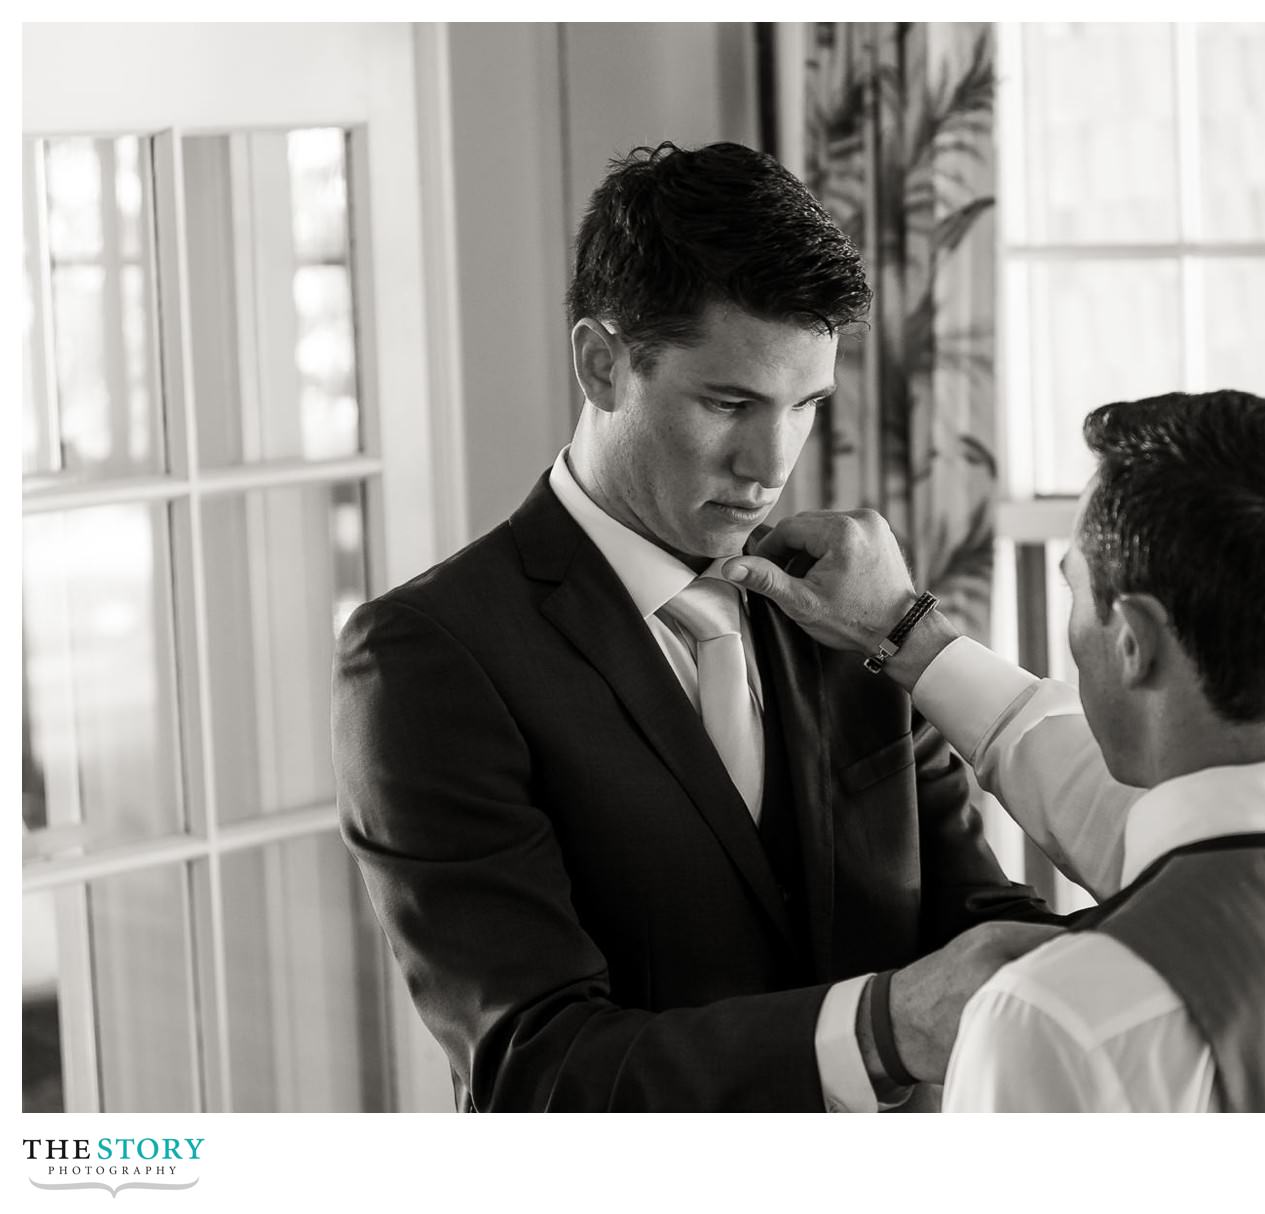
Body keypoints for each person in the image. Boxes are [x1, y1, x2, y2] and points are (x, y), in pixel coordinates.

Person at [332, 141, 1060, 1113]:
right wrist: (879, 1029)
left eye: (805, 404)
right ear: (600, 364)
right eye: (728, 402)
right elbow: (537, 1069)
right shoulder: (430, 658)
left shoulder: (851, 604)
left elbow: (977, 922)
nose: (769, 462)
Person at [725, 389, 1265, 1111]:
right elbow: (1206, 842)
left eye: (1077, 589)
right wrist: (912, 634)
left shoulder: (1056, 1017)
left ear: (1133, 639)